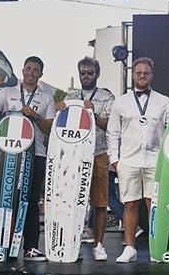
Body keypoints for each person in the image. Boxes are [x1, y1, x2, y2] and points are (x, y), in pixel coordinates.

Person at [106, 57, 169, 263]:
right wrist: (115, 161)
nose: (142, 76)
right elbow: (112, 133)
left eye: (146, 73)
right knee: (130, 205)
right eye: (138, 72)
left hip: (156, 161)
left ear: (152, 75)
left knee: (155, 205)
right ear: (133, 75)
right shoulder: (121, 102)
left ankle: (156, 248)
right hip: (128, 161)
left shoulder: (164, 101)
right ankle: (130, 249)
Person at [0, 56, 57, 261]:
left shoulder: (47, 97)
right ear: (22, 70)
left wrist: (35, 115)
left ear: (41, 74)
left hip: (36, 155)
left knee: (30, 201)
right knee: (6, 199)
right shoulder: (7, 92)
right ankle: (4, 245)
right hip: (7, 155)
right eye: (28, 69)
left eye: (35, 70)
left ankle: (30, 247)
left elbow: (49, 129)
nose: (31, 73)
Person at [56, 57, 115, 261]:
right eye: (83, 72)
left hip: (98, 153)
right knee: (72, 201)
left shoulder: (107, 97)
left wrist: (93, 115)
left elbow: (111, 126)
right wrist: (59, 111)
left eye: (90, 72)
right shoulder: (71, 96)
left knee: (100, 202)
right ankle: (73, 242)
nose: (86, 76)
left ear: (97, 74)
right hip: (74, 155)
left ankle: (99, 244)